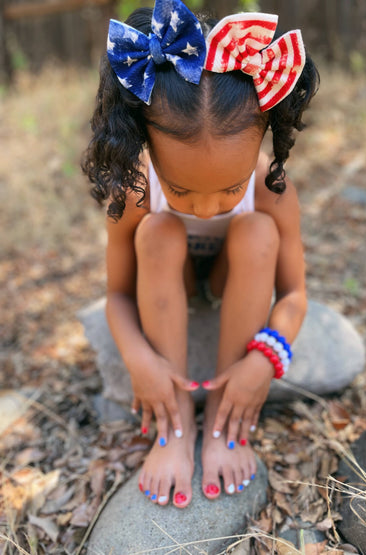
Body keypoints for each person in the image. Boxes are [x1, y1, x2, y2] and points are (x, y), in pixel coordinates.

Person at [82, 0, 319, 509]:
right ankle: (173, 427)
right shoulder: (138, 188)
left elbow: (296, 293)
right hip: (173, 283)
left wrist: (264, 360)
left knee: (256, 231)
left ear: (263, 136)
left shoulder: (271, 187)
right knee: (158, 232)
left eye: (230, 188)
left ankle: (221, 423)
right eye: (183, 188)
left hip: (236, 280)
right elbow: (118, 296)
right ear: (145, 144)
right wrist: (138, 359)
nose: (209, 209)